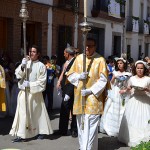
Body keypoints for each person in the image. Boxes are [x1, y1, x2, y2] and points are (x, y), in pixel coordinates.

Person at [67, 38, 109, 150]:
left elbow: (103, 80)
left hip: (93, 97)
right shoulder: (79, 58)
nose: (87, 48)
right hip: (80, 96)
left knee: (90, 125)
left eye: (90, 46)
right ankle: (84, 146)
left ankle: (87, 148)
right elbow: (70, 75)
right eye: (86, 46)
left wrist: (91, 90)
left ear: (95, 46)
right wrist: (79, 76)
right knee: (81, 124)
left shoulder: (100, 60)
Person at [10, 45, 53, 142]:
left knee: (36, 114)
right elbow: (18, 75)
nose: (31, 53)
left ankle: (40, 131)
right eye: (30, 51)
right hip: (23, 93)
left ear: (38, 54)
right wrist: (22, 66)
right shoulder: (26, 63)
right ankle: (21, 134)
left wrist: (30, 84)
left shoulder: (41, 66)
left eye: (33, 51)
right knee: (22, 114)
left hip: (35, 94)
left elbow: (42, 82)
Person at [118, 60, 150, 147]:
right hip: (134, 101)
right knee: (133, 120)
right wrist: (126, 89)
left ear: (144, 69)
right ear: (135, 69)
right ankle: (132, 137)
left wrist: (147, 90)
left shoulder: (148, 79)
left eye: (141, 68)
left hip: (145, 101)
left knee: (144, 120)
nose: (139, 70)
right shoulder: (132, 79)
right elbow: (129, 91)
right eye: (138, 68)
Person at [100, 56, 132, 137]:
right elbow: (111, 83)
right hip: (116, 92)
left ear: (124, 64)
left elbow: (129, 85)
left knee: (123, 108)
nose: (119, 65)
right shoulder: (115, 72)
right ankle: (112, 128)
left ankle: (121, 128)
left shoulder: (128, 74)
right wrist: (114, 77)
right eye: (118, 63)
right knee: (113, 108)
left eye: (121, 63)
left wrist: (125, 89)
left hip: (124, 93)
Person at [57, 46, 77, 137]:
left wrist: (69, 92)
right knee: (64, 109)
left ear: (68, 54)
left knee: (73, 111)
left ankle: (74, 130)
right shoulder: (66, 62)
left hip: (72, 89)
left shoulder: (75, 62)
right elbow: (63, 73)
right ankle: (62, 130)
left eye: (64, 53)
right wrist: (59, 81)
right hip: (65, 88)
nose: (63, 54)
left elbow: (74, 79)